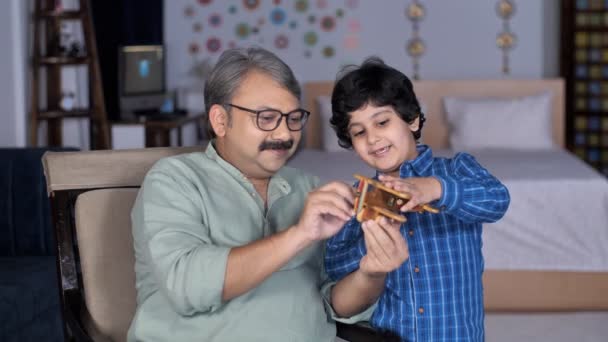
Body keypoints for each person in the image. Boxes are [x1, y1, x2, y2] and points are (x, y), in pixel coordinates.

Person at [127, 47, 398, 342]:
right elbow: (188, 286)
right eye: (267, 118)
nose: (285, 134)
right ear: (220, 120)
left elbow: (334, 302)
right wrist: (299, 234)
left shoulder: (309, 187)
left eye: (293, 118)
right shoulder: (174, 179)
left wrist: (372, 273)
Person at [324, 57, 511, 341]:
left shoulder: (456, 170)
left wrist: (435, 189)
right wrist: (373, 242)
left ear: (411, 119)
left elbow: (497, 200)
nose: (373, 139)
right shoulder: (358, 200)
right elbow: (336, 268)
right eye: (359, 132)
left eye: (382, 122)